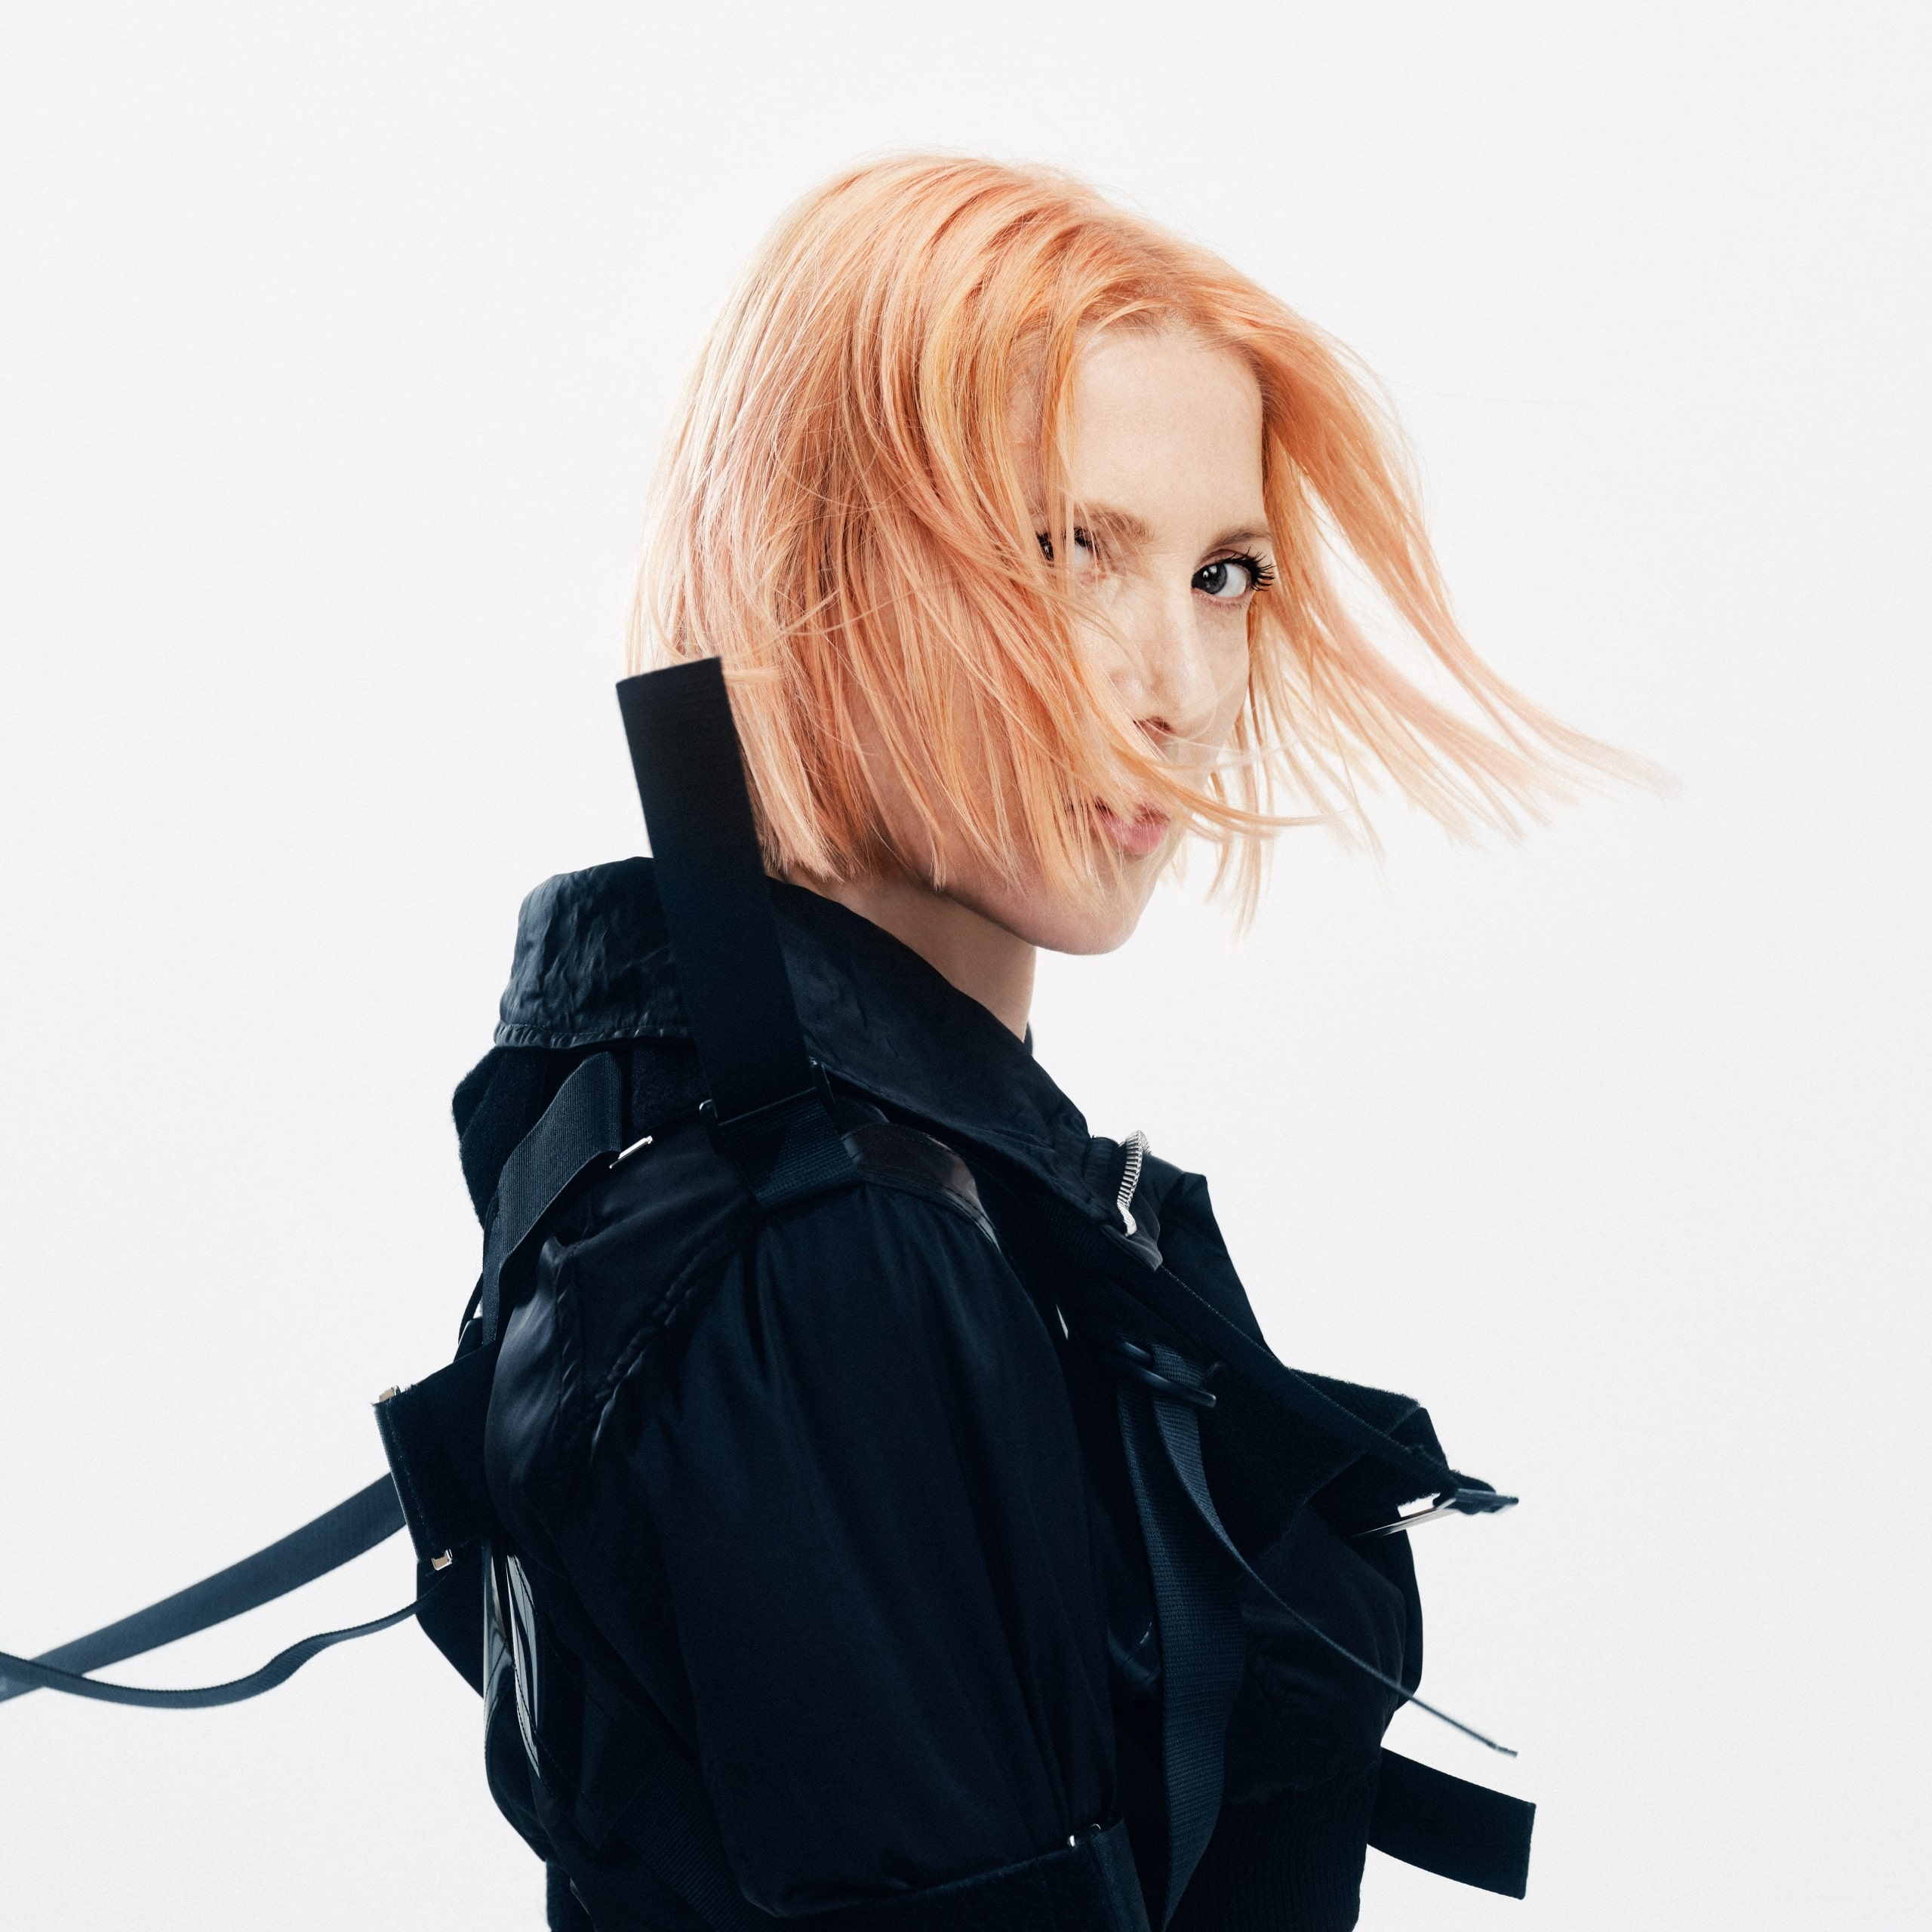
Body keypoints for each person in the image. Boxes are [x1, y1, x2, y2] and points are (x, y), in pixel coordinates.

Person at [461, 155, 1624, 1931]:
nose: (1180, 685)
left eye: (1222, 572)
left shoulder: (805, 1144)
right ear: (817, 564)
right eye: (1066, 551)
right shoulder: (824, 1239)